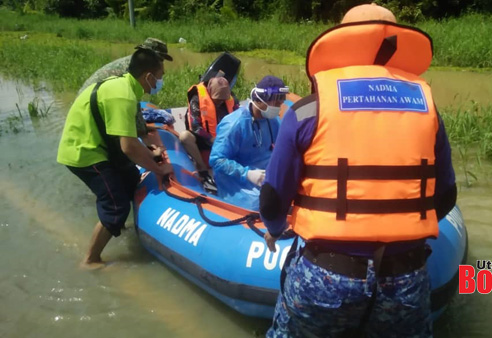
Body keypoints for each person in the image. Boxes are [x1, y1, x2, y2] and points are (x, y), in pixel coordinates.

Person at [259, 3, 457, 337]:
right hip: (405, 277)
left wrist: (275, 229)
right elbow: (446, 196)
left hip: (327, 276)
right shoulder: (427, 109)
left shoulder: (308, 109)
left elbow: (273, 197)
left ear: (343, 42)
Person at [57, 48, 174, 269]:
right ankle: (91, 260)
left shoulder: (126, 86)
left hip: (98, 143)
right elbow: (128, 147)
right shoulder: (123, 95)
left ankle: (115, 225)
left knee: (130, 179)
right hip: (84, 151)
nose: (160, 81)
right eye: (160, 77)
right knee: (116, 205)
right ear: (148, 77)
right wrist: (160, 169)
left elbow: (132, 136)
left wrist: (151, 155)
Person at [209, 75, 288, 211]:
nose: (278, 108)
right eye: (276, 104)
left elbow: (283, 147)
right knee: (262, 204)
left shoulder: (272, 120)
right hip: (236, 179)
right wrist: (247, 174)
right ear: (260, 99)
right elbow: (217, 160)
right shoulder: (234, 124)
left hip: (264, 174)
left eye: (280, 104)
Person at [78, 37, 173, 139]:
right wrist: (143, 130)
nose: (160, 62)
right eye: (160, 58)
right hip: (89, 105)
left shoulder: (136, 63)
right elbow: (130, 100)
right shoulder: (136, 69)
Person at [179, 76, 237, 190]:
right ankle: (202, 170)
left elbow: (238, 118)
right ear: (210, 92)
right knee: (185, 137)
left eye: (223, 99)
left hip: (225, 140)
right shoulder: (196, 100)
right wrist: (211, 139)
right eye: (218, 99)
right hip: (204, 139)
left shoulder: (231, 100)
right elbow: (195, 126)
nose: (220, 102)